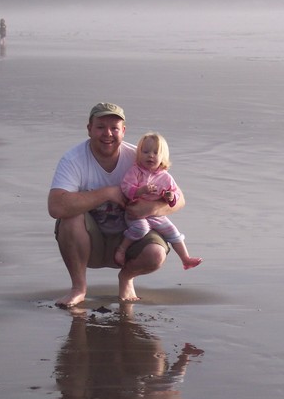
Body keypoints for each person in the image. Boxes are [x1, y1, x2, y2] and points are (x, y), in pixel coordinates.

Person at [48, 103, 186, 308]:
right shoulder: (73, 159)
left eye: (114, 128)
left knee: (156, 254)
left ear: (124, 131)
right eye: (101, 127)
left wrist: (151, 209)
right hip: (89, 241)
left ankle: (127, 278)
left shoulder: (138, 157)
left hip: (131, 234)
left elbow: (180, 199)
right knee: (70, 216)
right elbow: (56, 207)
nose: (108, 134)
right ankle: (78, 288)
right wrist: (108, 193)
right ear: (89, 129)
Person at [115, 132, 202, 270]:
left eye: (156, 152)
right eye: (145, 152)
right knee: (141, 228)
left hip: (156, 215)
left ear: (163, 157)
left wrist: (170, 197)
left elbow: (175, 194)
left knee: (173, 232)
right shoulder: (135, 171)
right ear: (139, 154)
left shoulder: (165, 177)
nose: (150, 155)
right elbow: (126, 187)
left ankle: (185, 259)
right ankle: (122, 249)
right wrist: (140, 191)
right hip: (135, 213)